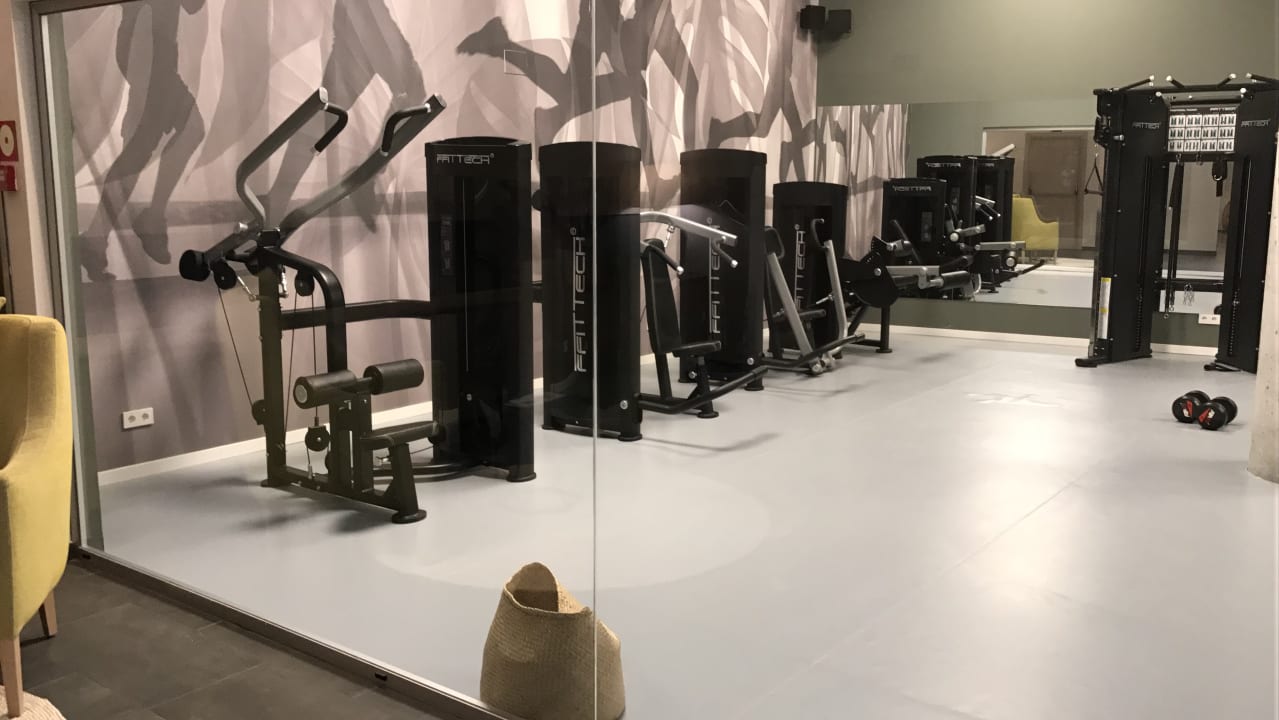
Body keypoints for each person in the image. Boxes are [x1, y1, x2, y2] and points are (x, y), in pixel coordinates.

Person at [79, 0, 206, 281]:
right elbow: (193, 4)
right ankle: (140, 222)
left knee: (141, 148)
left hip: (147, 42)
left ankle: (96, 238)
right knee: (159, 141)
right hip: (150, 43)